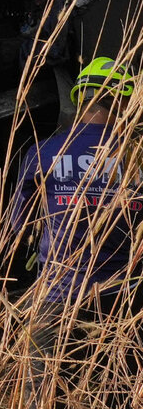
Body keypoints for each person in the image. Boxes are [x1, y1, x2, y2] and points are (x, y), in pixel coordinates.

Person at [10, 56, 142, 313]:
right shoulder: (137, 157)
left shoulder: (43, 152)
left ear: (80, 99)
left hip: (56, 297)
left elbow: (20, 226)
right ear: (121, 100)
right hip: (124, 304)